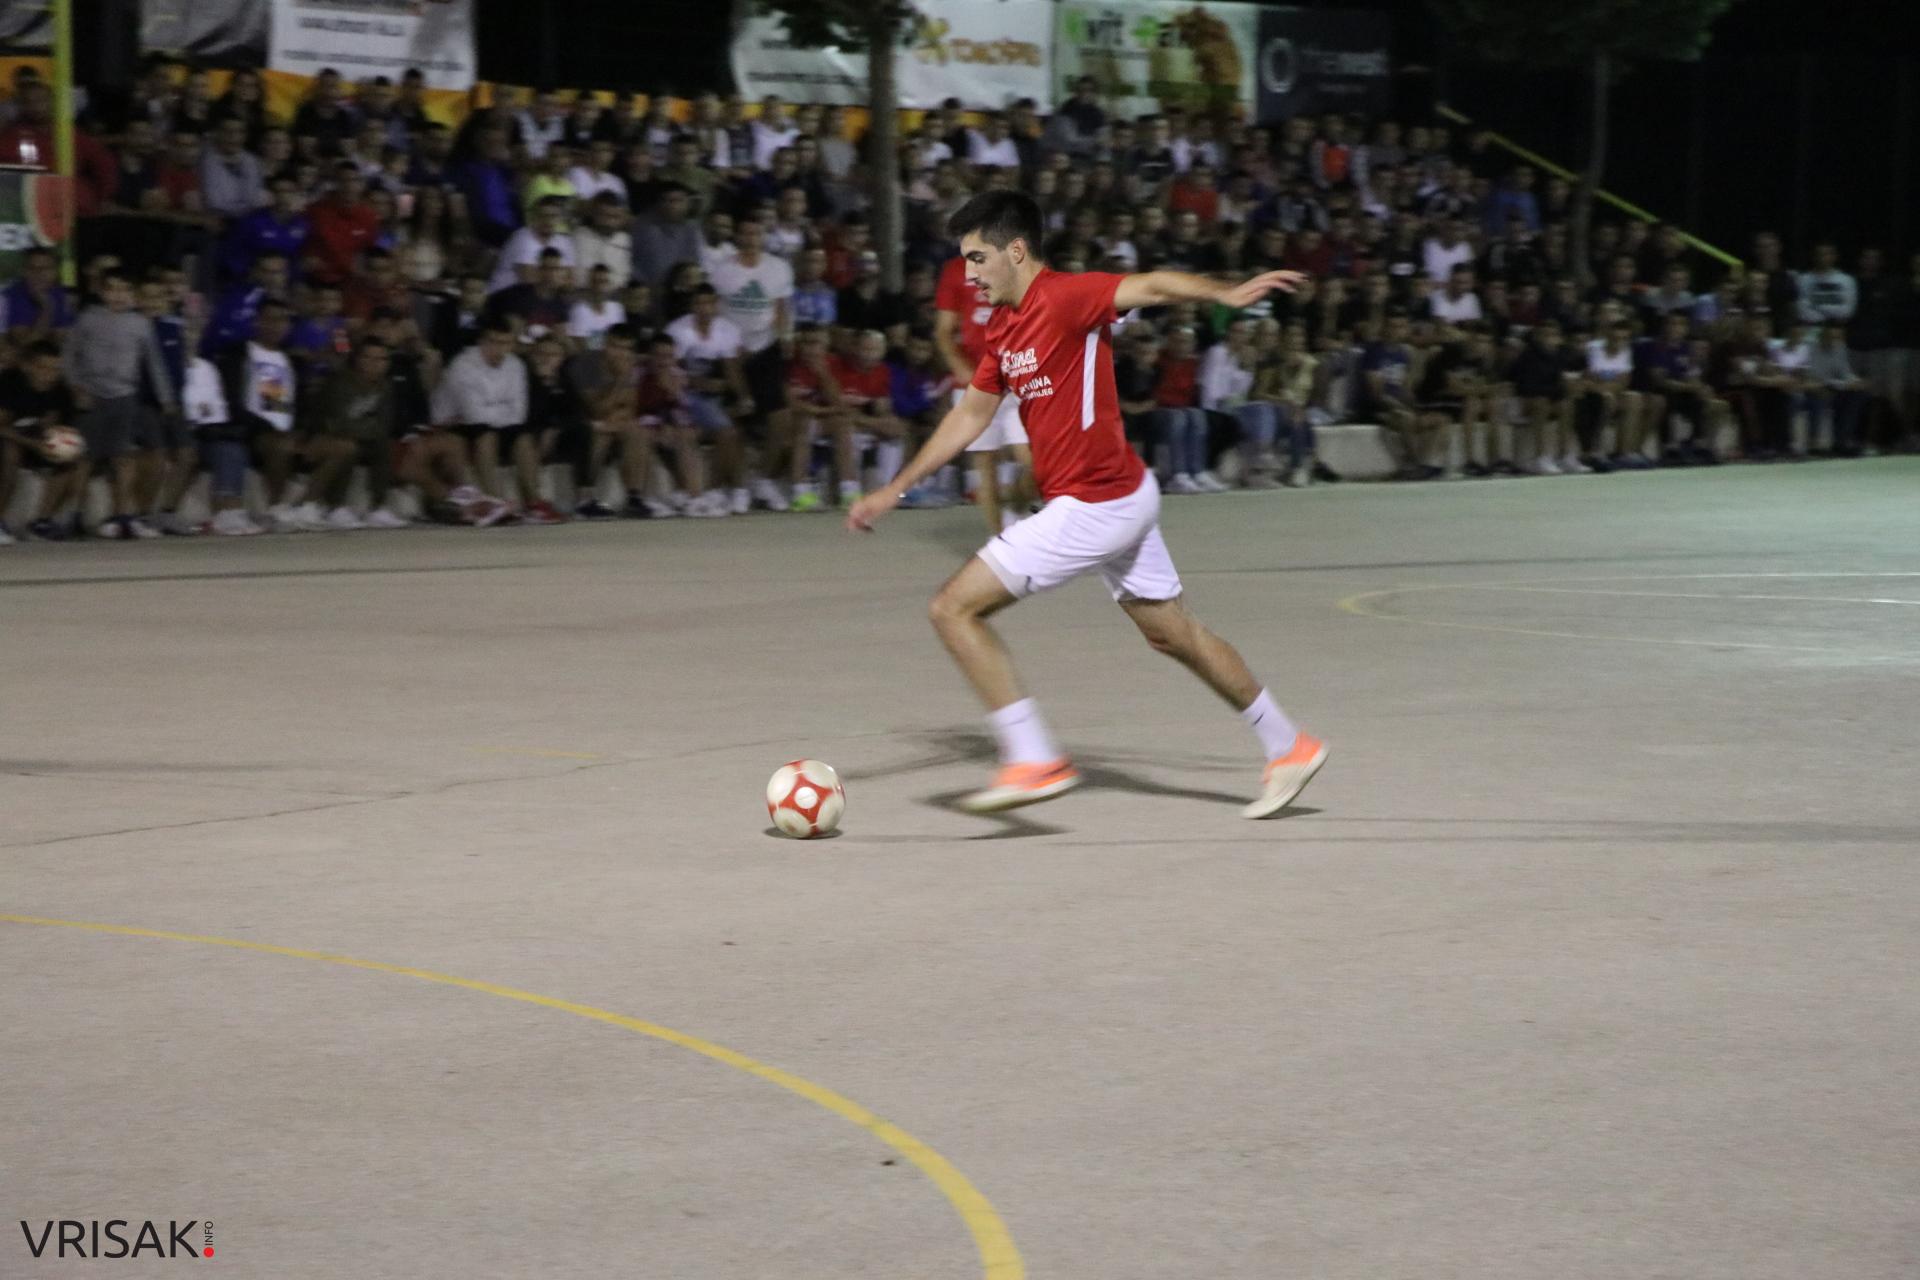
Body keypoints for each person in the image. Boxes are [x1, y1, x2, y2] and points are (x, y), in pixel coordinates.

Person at [844, 191, 1328, 818]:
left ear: (1017, 251)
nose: (968, 275)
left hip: (1094, 503)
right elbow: (971, 414)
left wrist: (1225, 294)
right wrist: (895, 487)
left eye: (978, 258)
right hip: (1121, 494)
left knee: (953, 609)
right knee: (1172, 634)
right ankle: (1289, 745)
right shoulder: (1003, 326)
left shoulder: (1066, 296)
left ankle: (1033, 758)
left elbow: (1151, 284)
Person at [63, 269, 179, 539]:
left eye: (124, 290)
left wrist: (166, 398)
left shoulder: (140, 324)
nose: (118, 295)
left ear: (133, 294)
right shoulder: (88, 319)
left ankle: (123, 515)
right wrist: (76, 386)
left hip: (125, 396)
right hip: (92, 395)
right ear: (102, 292)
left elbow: (154, 363)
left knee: (123, 457)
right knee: (85, 458)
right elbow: (69, 356)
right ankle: (73, 515)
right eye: (112, 289)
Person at [935, 252, 1031, 530]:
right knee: (985, 464)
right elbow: (943, 331)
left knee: (1037, 463)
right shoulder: (955, 270)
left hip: (1019, 377)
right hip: (977, 383)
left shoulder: (1019, 262)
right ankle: (999, 541)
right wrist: (961, 369)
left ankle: (1015, 507)